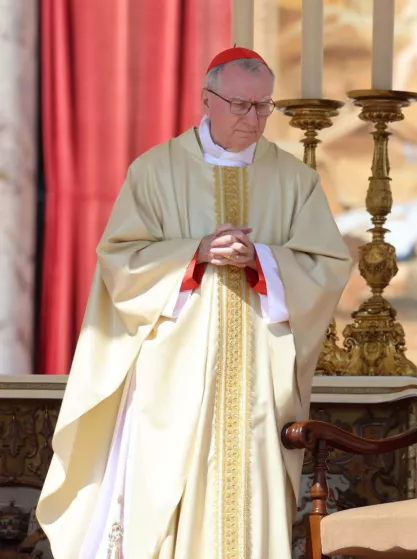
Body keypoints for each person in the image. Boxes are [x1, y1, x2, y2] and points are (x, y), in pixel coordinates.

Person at [35, 47, 353, 558]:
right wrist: (195, 252)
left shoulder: (296, 180)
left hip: (257, 374)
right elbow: (120, 259)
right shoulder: (156, 171)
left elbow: (328, 266)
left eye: (264, 106)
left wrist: (264, 261)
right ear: (207, 100)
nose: (253, 119)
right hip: (171, 371)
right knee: (167, 483)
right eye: (240, 105)